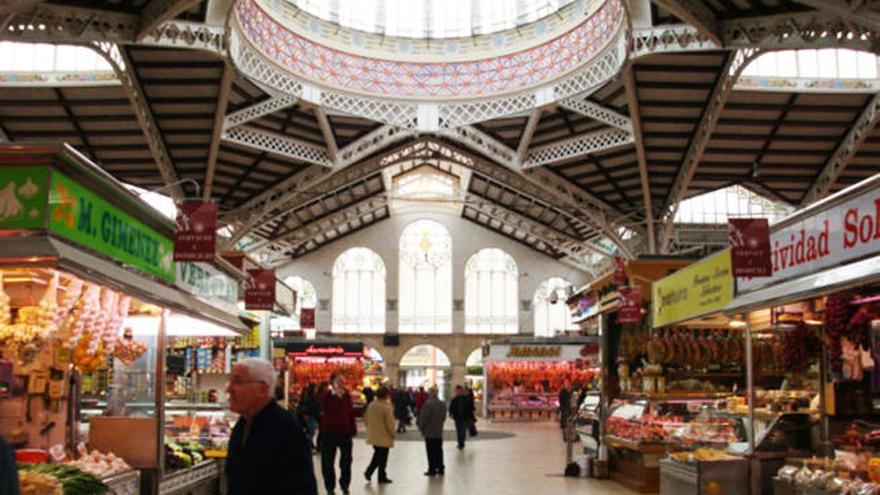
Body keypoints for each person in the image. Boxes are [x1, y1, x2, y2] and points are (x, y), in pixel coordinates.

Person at [225, 358, 317, 495]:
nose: (229, 388)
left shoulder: (285, 430)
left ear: (262, 389)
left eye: (237, 382)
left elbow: (303, 487)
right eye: (230, 380)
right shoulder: (242, 425)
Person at [319, 372, 356, 495]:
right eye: (340, 381)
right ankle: (330, 487)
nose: (342, 384)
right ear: (333, 383)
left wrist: (353, 429)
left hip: (345, 433)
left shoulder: (347, 396)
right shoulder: (326, 396)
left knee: (346, 461)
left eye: (344, 382)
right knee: (328, 462)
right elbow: (327, 411)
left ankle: (345, 485)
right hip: (329, 432)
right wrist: (336, 397)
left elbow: (350, 413)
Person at [363, 387, 395, 484]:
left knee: (378, 455)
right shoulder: (386, 407)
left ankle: (374, 473)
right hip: (384, 436)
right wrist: (392, 434)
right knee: (382, 457)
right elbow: (390, 423)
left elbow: (366, 419)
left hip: (373, 435)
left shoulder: (371, 405)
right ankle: (376, 474)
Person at [417, 387, 447, 476]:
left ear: (431, 393)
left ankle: (432, 469)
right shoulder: (442, 404)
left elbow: (424, 418)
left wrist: (421, 427)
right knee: (439, 450)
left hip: (430, 432)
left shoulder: (428, 404)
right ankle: (440, 467)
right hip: (438, 431)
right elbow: (444, 417)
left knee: (430, 451)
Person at [297, 383, 320, 453]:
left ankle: (307, 446)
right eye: (316, 388)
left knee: (311, 432)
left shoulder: (311, 397)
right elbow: (307, 407)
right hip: (310, 417)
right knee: (310, 433)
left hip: (311, 416)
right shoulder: (309, 398)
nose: (317, 389)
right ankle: (306, 446)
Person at [448, 385, 470, 450]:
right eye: (457, 391)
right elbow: (451, 408)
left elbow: (469, 408)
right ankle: (460, 443)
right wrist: (451, 414)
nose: (458, 392)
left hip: (464, 418)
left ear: (462, 391)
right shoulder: (454, 400)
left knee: (463, 431)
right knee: (458, 431)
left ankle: (462, 443)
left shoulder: (466, 399)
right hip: (457, 418)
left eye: (459, 391)